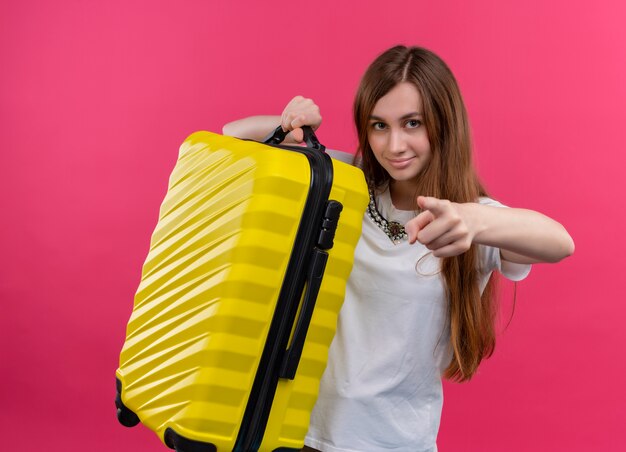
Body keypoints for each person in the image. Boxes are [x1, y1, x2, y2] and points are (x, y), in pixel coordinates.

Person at [223, 45, 574, 452]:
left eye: (412, 123)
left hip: (397, 443)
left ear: (444, 123)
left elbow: (560, 242)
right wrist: (289, 125)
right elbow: (232, 140)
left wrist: (475, 220)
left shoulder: (467, 219)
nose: (394, 145)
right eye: (378, 125)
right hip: (299, 435)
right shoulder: (345, 183)